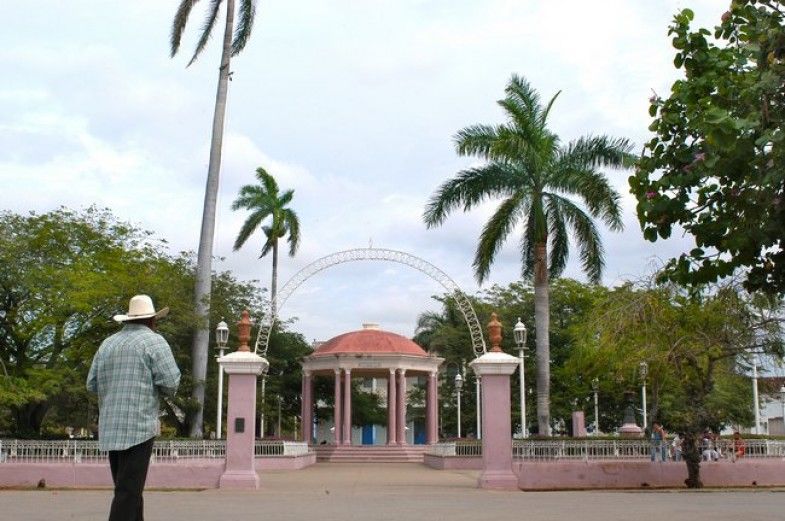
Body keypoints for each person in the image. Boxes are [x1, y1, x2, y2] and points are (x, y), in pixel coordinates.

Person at [87, 295, 181, 521]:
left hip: (111, 428)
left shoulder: (107, 344)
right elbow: (171, 382)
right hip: (139, 426)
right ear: (152, 320)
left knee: (128, 490)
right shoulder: (154, 341)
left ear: (128, 319)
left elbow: (91, 383)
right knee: (128, 493)